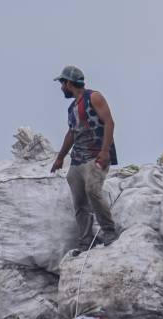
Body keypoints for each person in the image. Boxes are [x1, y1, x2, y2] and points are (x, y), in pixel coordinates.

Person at [50, 65, 118, 250]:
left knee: (93, 190)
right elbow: (72, 133)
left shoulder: (93, 97)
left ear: (69, 83)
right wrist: (60, 158)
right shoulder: (72, 108)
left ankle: (109, 231)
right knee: (79, 202)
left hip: (96, 156)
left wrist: (105, 152)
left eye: (62, 83)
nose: (61, 88)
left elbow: (109, 122)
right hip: (77, 160)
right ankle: (86, 241)